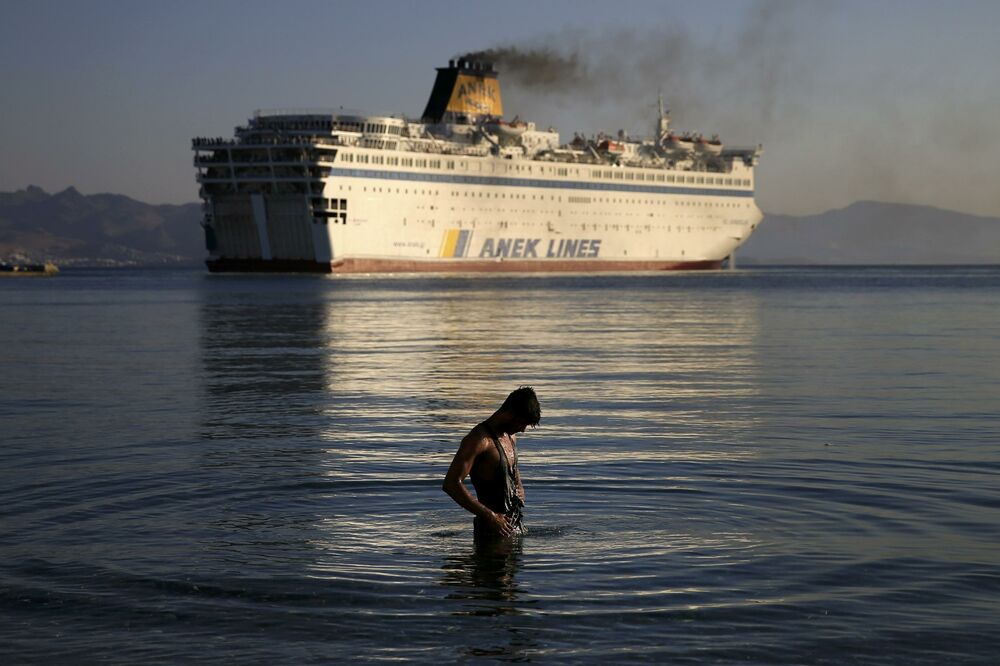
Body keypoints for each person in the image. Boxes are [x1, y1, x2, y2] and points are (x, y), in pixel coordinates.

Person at [443, 386, 541, 540]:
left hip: (514, 529)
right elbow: (451, 483)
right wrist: (491, 517)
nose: (523, 430)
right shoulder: (479, 440)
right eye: (522, 424)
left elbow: (510, 468)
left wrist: (519, 485)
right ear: (510, 414)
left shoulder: (510, 436)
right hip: (490, 534)